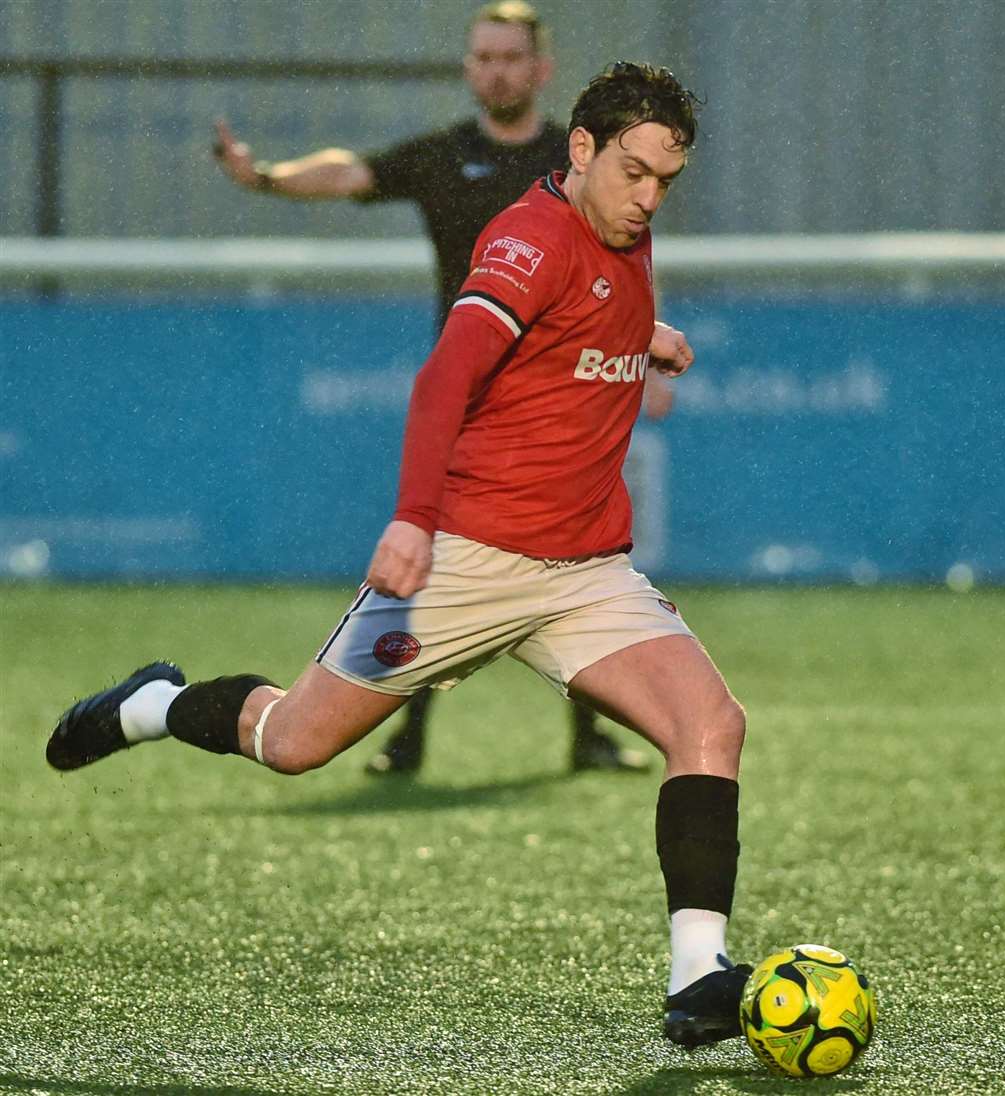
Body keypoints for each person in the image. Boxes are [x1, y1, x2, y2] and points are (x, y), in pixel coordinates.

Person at [48, 61, 751, 1048]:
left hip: (586, 572)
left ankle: (697, 980)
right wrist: (414, 517)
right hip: (464, 560)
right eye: (633, 172)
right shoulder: (525, 242)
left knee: (710, 723)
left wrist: (648, 338)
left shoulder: (622, 228)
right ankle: (153, 704)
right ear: (581, 149)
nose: (648, 197)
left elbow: (588, 317)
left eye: (665, 181)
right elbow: (442, 382)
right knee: (293, 742)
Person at [213, 0, 666, 776]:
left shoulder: (581, 158)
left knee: (580, 558)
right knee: (434, 570)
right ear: (469, 68)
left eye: (510, 56)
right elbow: (353, 172)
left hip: (565, 403)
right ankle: (401, 731)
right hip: (470, 400)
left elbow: (624, 259)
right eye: (482, 56)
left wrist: (643, 348)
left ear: (541, 68)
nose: (495, 69)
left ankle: (587, 734)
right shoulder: (440, 157)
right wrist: (264, 177)